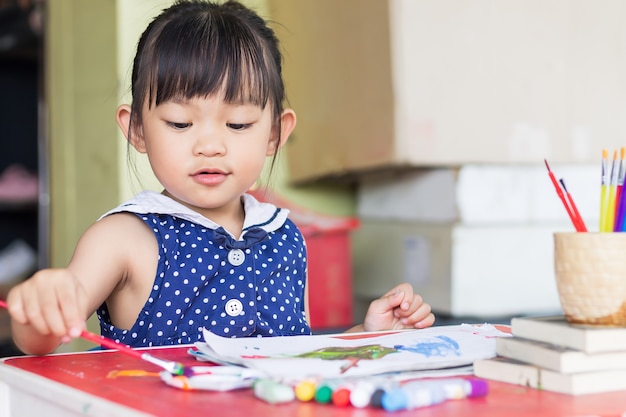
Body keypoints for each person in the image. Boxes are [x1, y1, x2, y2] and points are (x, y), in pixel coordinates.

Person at [6, 0, 435, 356]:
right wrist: (41, 305)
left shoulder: (284, 236)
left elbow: (294, 358)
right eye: (179, 123)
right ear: (137, 128)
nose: (210, 146)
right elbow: (40, 340)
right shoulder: (123, 237)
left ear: (275, 133)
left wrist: (366, 336)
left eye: (238, 125)